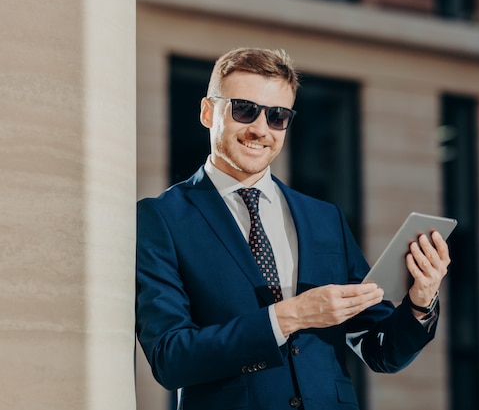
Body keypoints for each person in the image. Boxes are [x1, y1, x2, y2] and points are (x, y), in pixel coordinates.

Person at [136, 47, 451, 410]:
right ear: (209, 112)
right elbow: (170, 358)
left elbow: (381, 350)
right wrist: (291, 316)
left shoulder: (323, 218)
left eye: (277, 116)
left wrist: (419, 301)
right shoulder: (161, 218)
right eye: (244, 109)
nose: (259, 129)